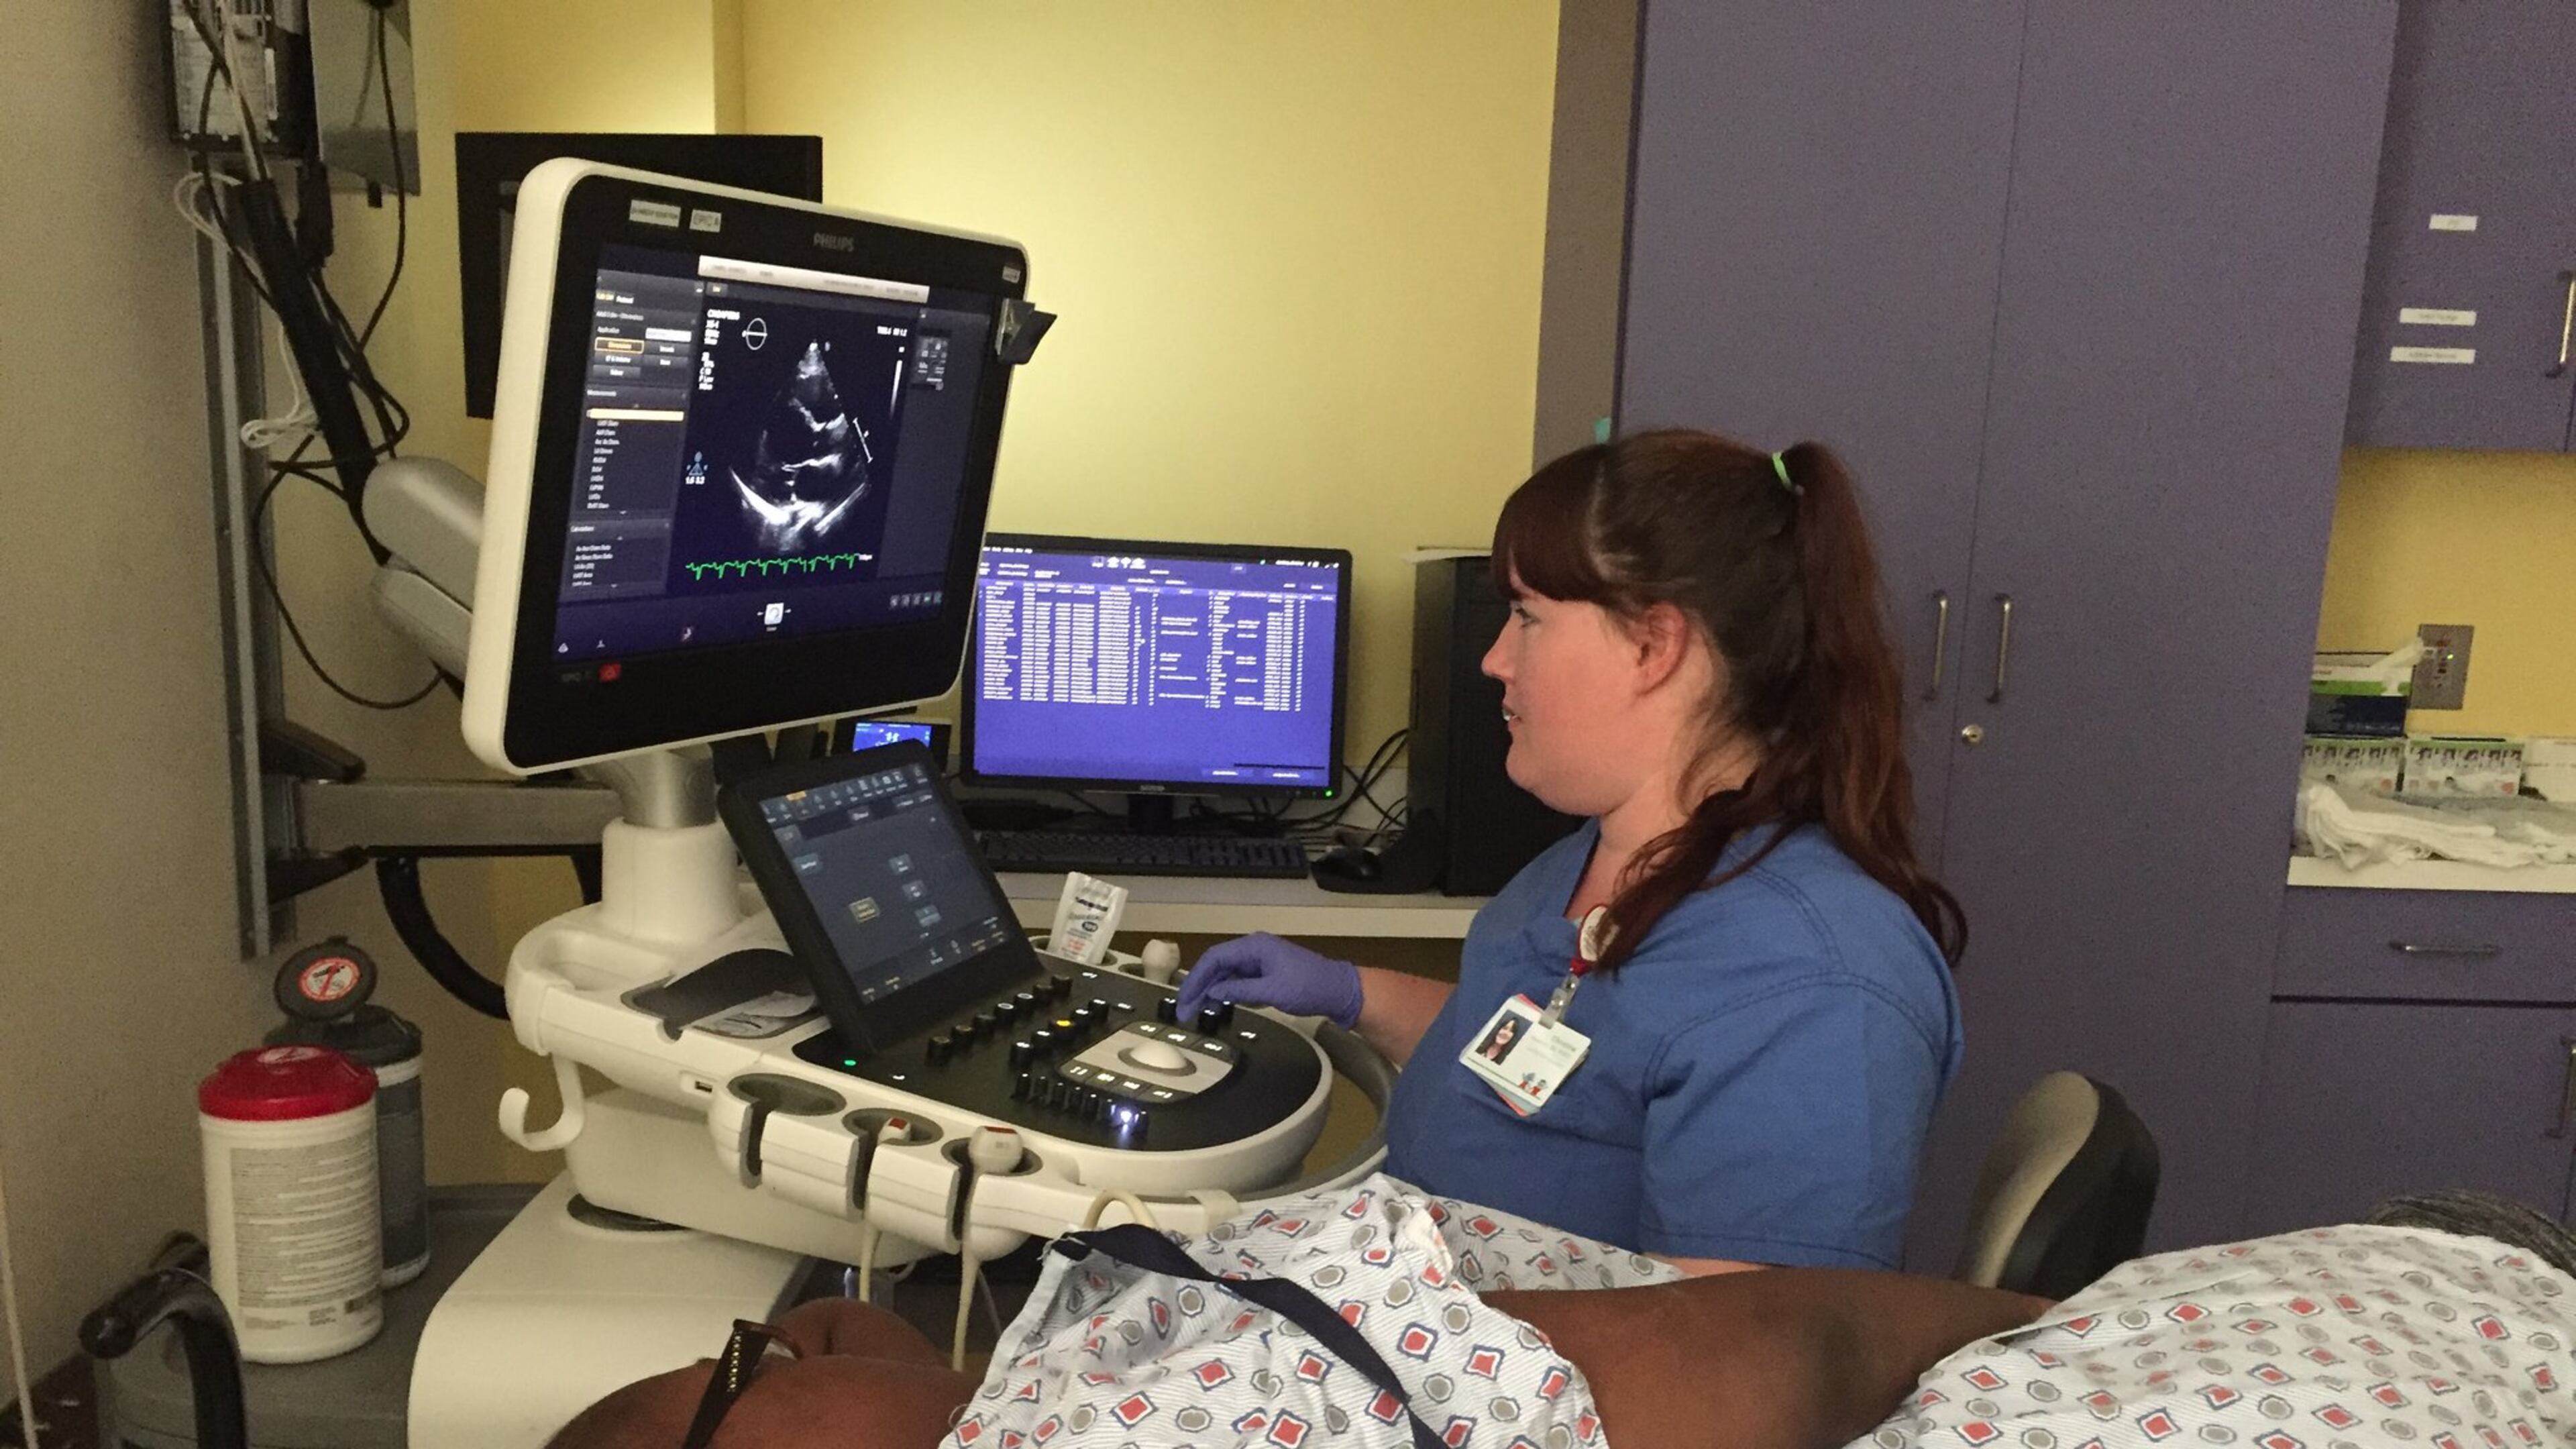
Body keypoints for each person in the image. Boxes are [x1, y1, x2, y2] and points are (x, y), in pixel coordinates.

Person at [1179, 431, 1966, 1274]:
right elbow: (1530, 1056)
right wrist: (1349, 990)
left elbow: (1744, 1362)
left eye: (1527, 617)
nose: (1493, 659)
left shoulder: (1811, 984)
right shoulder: (1585, 862)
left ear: (1653, 647)